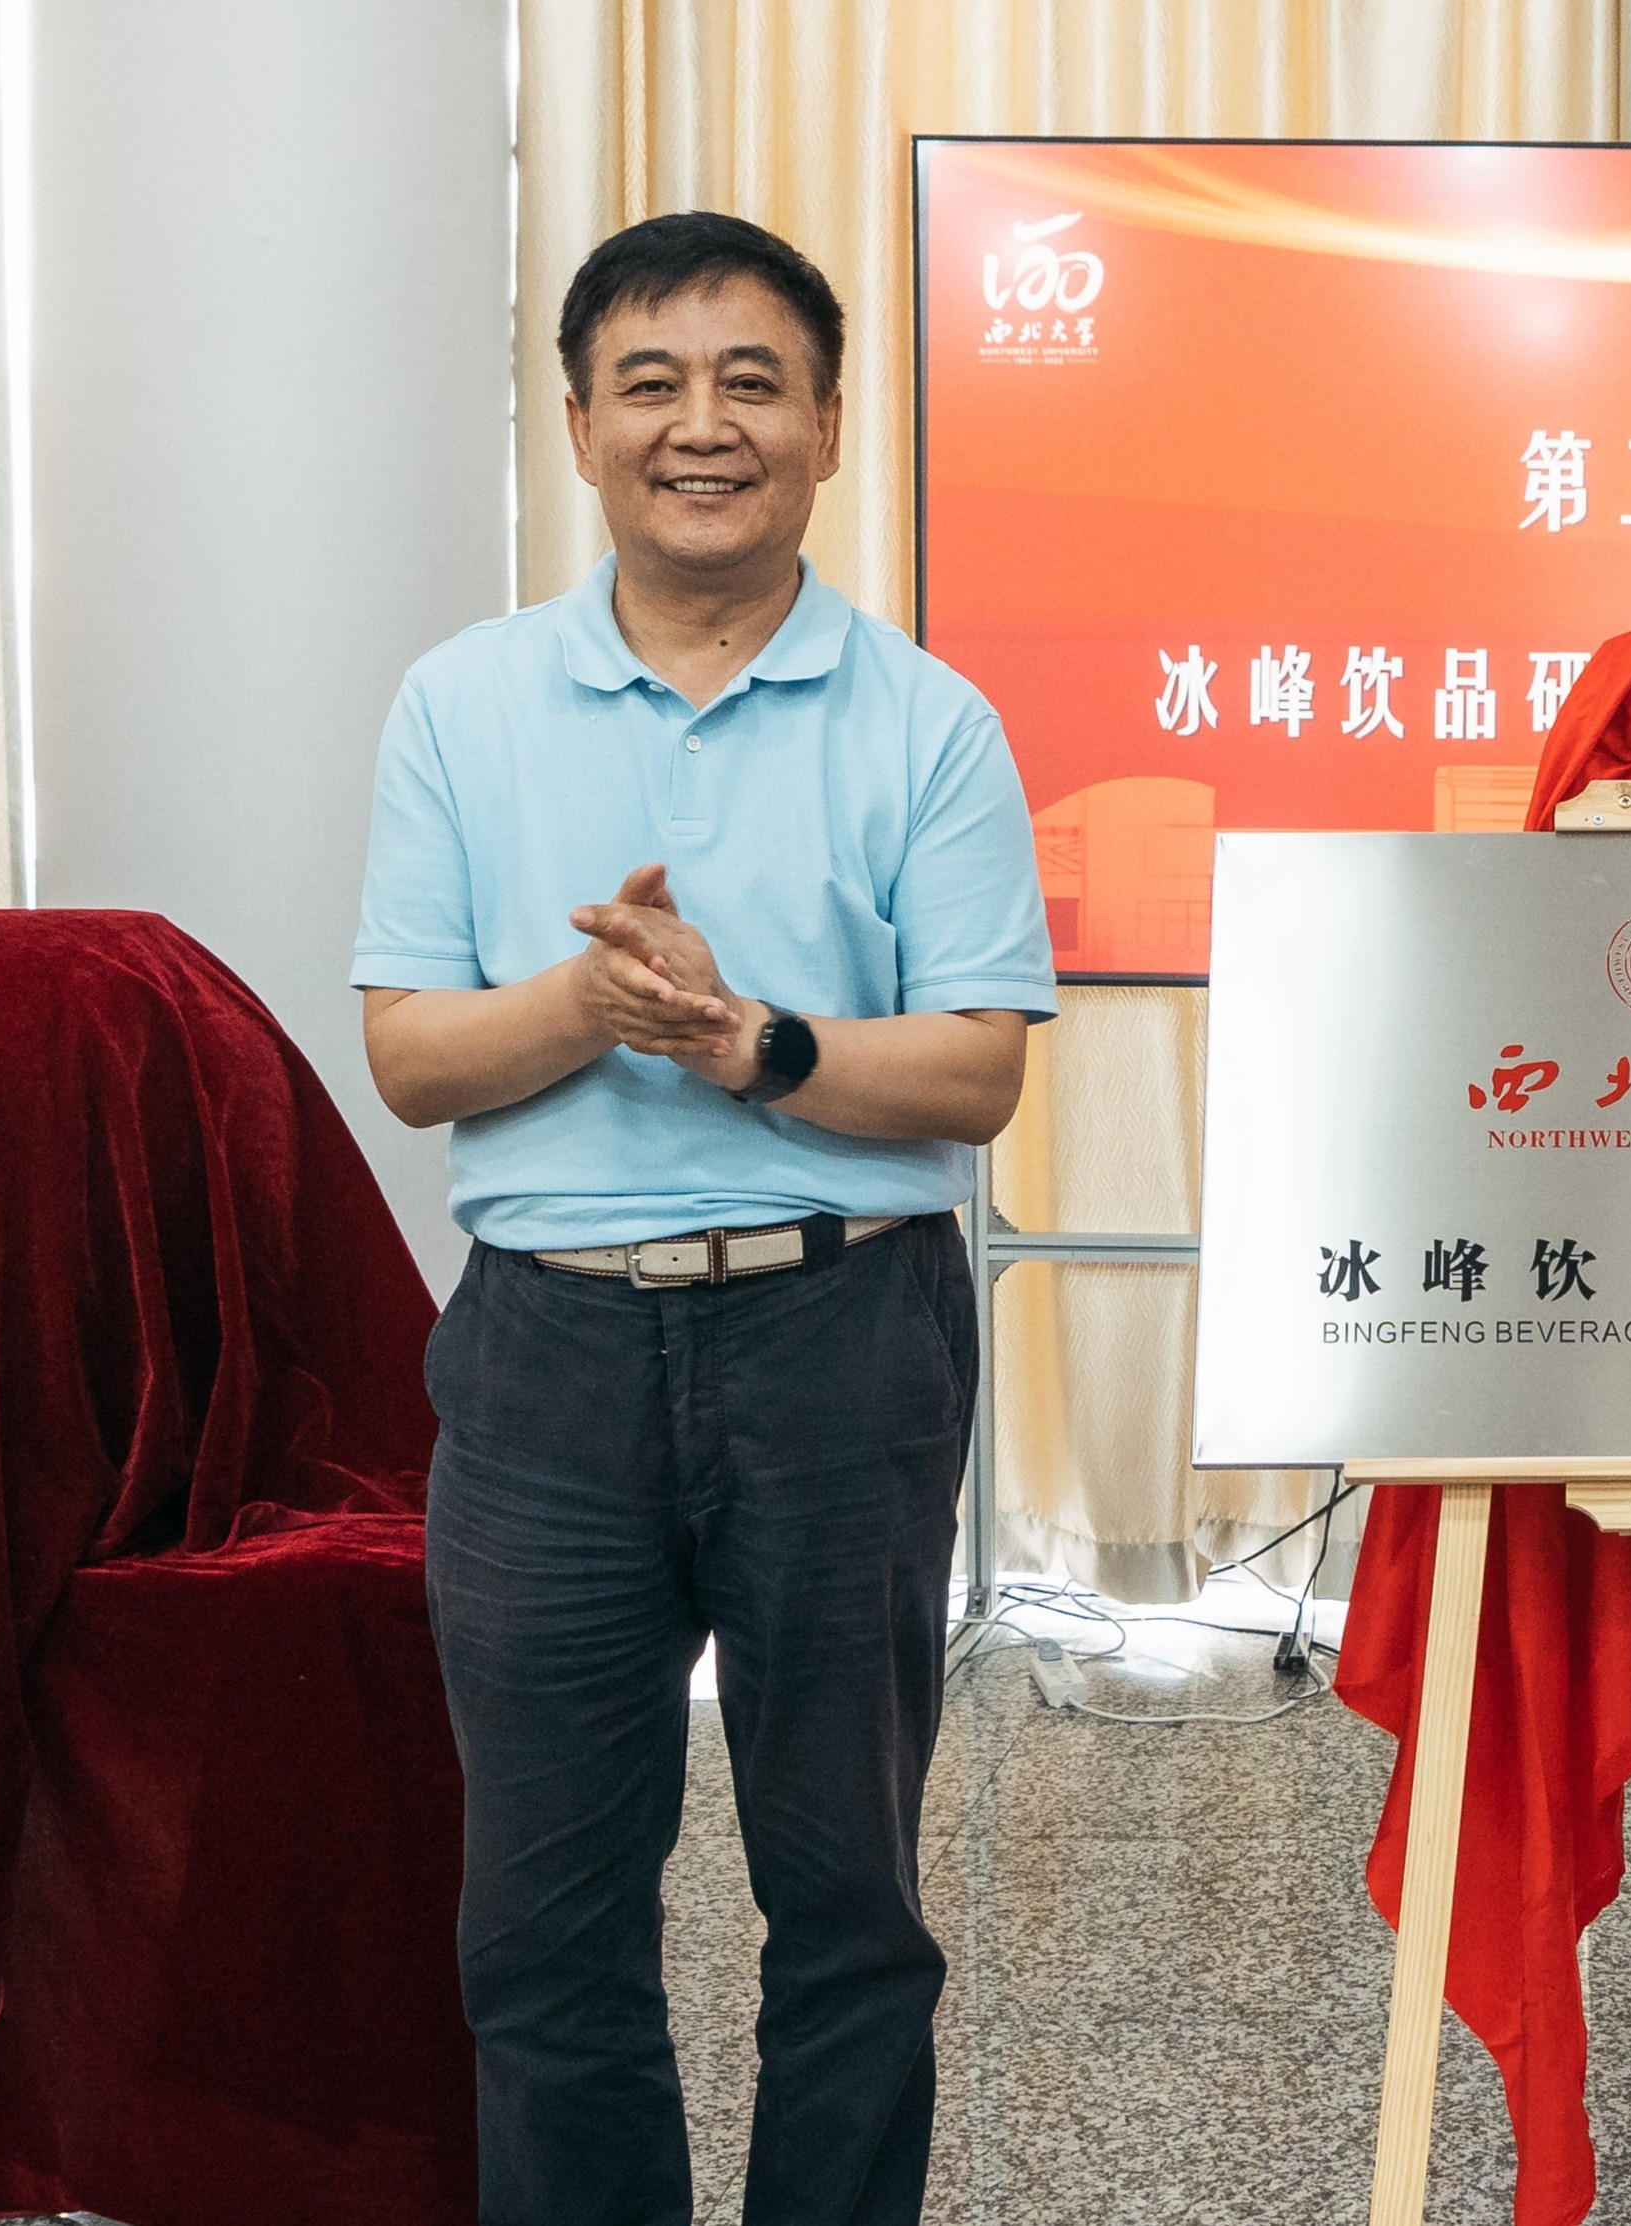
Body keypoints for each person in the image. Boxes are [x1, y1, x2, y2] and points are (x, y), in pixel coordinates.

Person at [352, 210, 1054, 2226]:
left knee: (848, 1906)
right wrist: (594, 1004)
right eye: (650, 384)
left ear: (828, 425)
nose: (703, 426)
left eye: (754, 382)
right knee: (543, 1926)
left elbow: (976, 1073)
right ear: (579, 426)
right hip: (548, 1358)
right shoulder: (462, 705)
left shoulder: (929, 722)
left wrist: (750, 1043)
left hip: (842, 1342)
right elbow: (410, 1056)